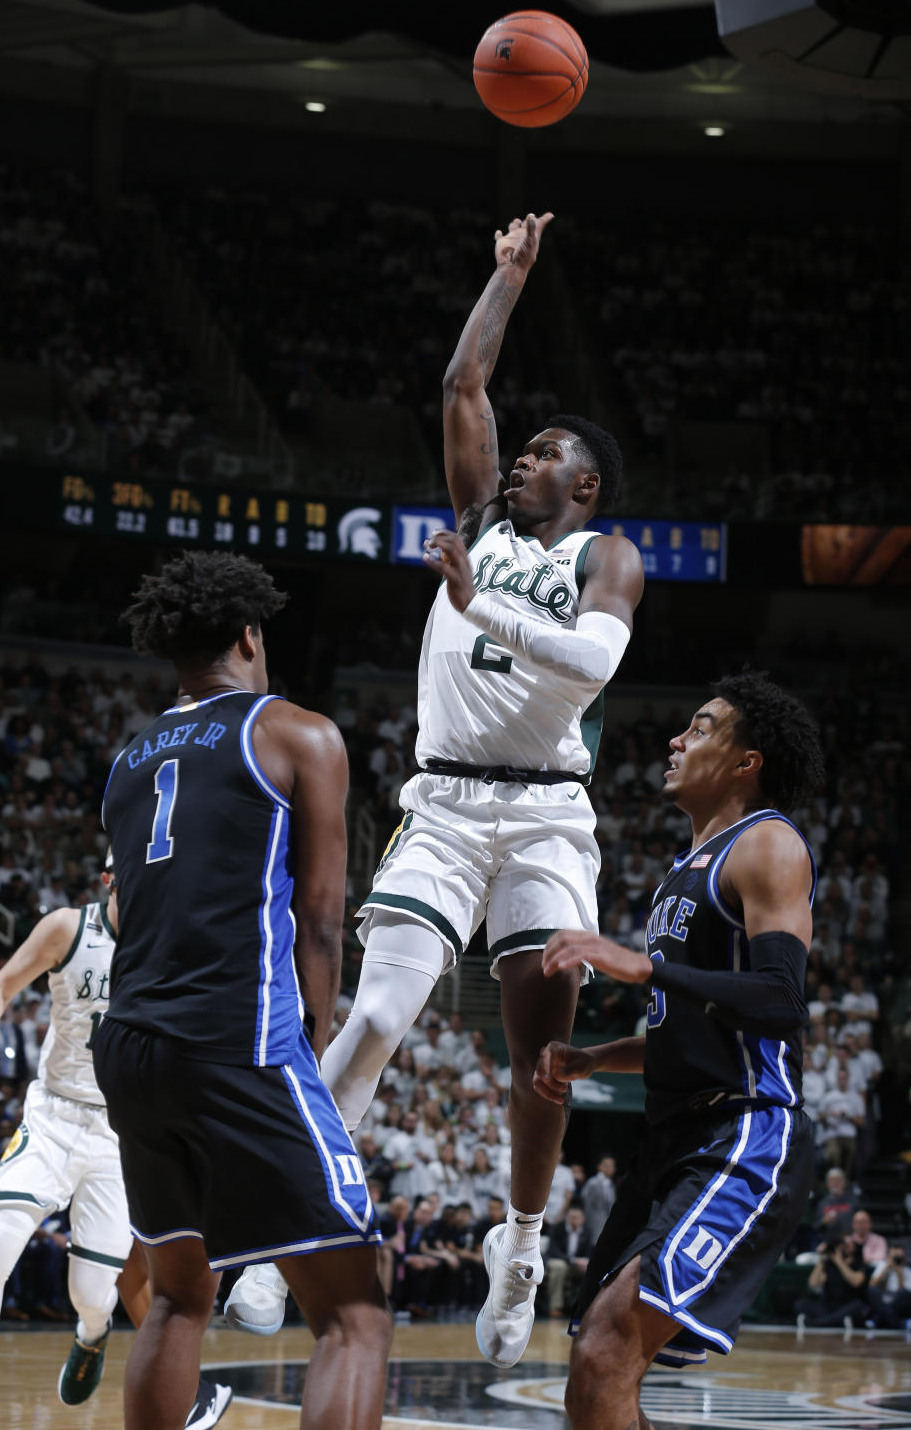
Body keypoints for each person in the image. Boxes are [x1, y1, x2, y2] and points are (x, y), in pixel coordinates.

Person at [228, 210, 643, 1370]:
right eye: (523, 445)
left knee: (541, 1058)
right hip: (448, 806)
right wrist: (506, 278)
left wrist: (479, 606)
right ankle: (284, 1234)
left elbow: (598, 664)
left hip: (550, 816)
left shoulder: (602, 559)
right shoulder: (478, 520)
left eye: (545, 448)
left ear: (587, 481)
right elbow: (464, 381)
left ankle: (520, 1247)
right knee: (373, 1016)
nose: (522, 457)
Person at [95, 550, 391, 1430]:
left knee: (181, 1298)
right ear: (250, 635)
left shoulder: (127, 761)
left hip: (131, 1043)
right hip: (234, 1034)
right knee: (354, 1312)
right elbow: (323, 916)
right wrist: (313, 1034)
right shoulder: (296, 732)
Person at [535, 670, 824, 1430]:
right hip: (673, 1140)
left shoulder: (767, 844)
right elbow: (683, 1024)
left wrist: (648, 965)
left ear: (745, 761)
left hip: (746, 1130)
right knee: (592, 1361)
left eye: (700, 728)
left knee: (606, 1349)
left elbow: (780, 1002)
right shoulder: (681, 873)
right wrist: (597, 1059)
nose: (675, 738)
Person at [0, 865, 230, 1430]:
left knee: (92, 1294)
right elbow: (2, 985)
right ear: (111, 878)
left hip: (118, 1135)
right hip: (52, 1118)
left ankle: (92, 1335)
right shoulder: (67, 929)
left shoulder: (171, 947)